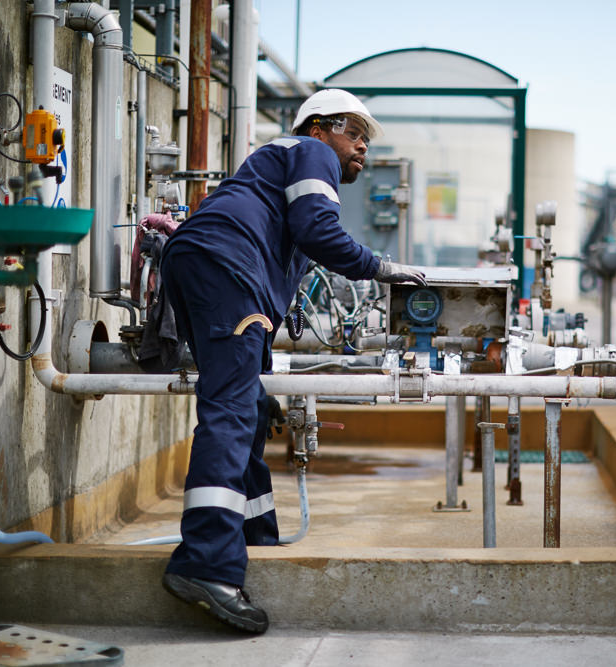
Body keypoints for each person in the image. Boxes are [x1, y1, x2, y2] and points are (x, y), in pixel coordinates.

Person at [159, 89, 426, 633]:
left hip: (210, 263)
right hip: (227, 268)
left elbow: (296, 240)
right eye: (354, 133)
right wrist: (382, 268)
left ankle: (255, 539)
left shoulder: (275, 167)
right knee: (231, 413)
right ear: (319, 127)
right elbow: (319, 232)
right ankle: (205, 565)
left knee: (250, 408)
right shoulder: (311, 154)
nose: (362, 150)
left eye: (367, 141)